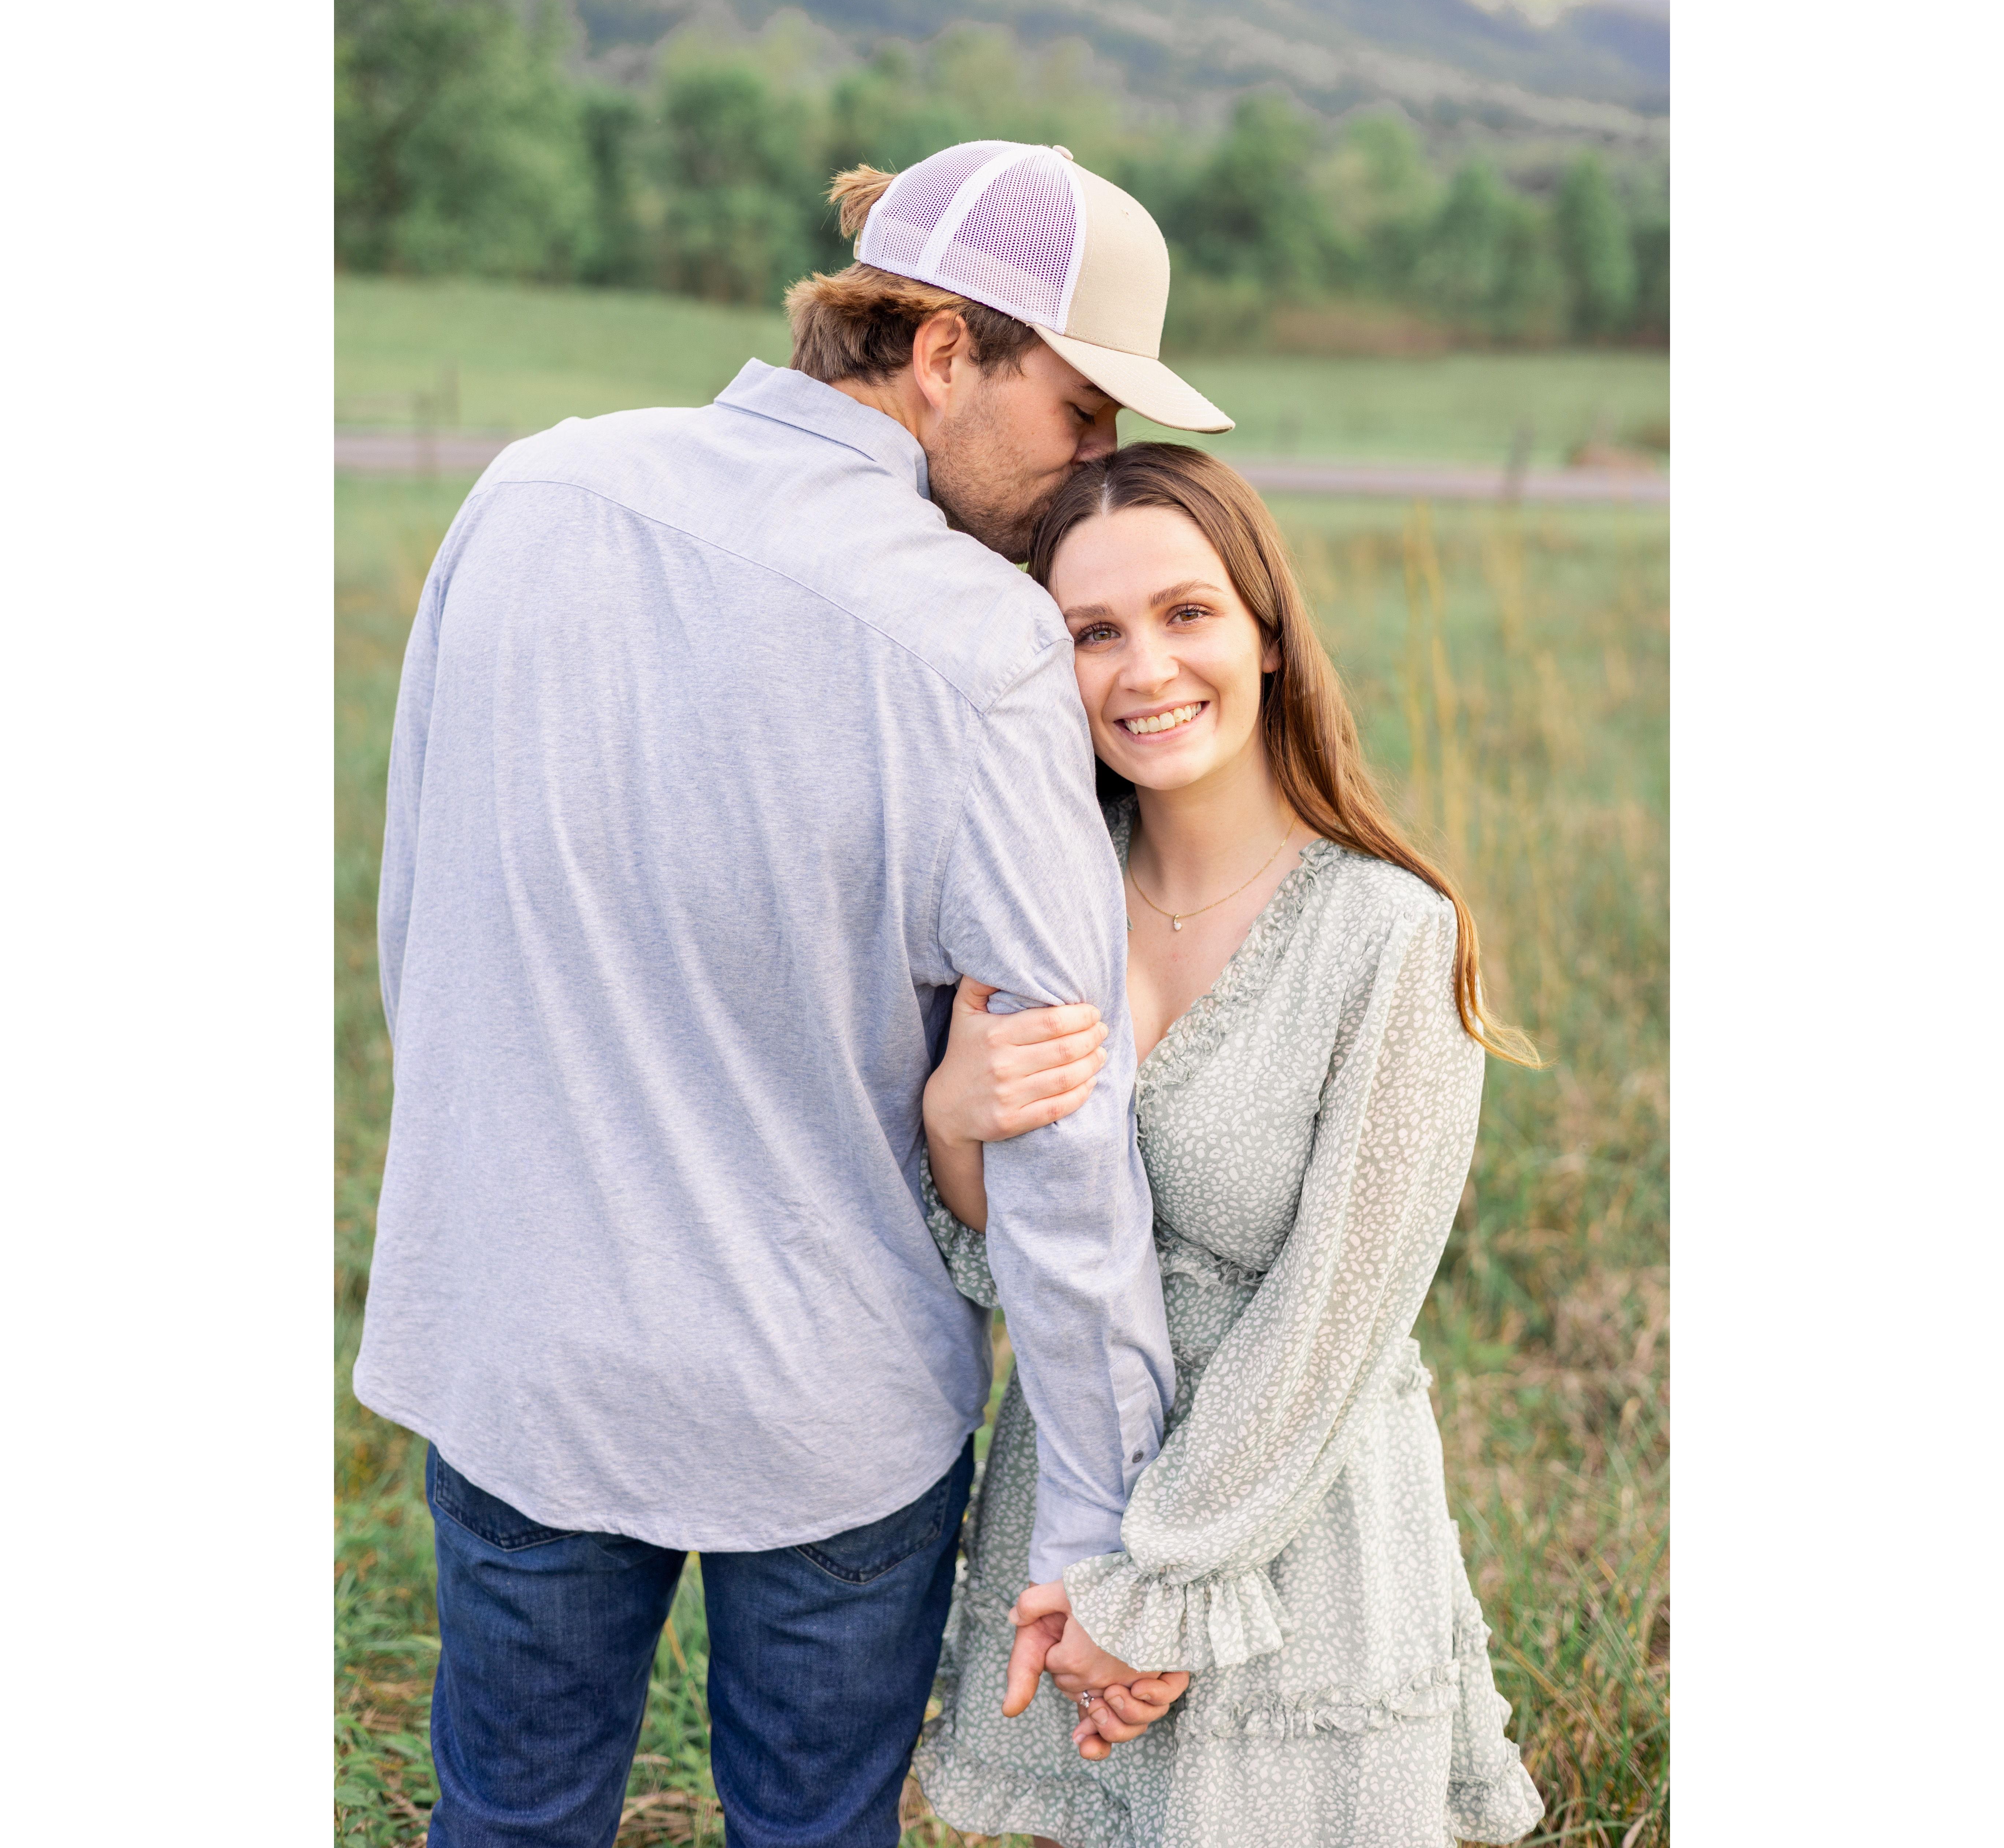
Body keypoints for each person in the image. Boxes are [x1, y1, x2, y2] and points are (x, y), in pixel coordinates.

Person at [351, 143, 1236, 1847]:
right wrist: (1098, 1525)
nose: (1097, 463)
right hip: (826, 1407)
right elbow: (1065, 1125)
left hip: (522, 1351)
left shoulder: (532, 492)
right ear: (942, 353)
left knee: (506, 1824)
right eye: (1082, 411)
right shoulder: (980, 646)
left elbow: (419, 924)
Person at [911, 443, 1548, 1847]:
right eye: (1093, 632)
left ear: (1266, 630)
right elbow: (1001, 1251)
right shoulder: (1039, 894)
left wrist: (1149, 1597)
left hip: (1286, 1539)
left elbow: (1334, 1321)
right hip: (1074, 1500)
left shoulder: (1389, 935)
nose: (1145, 669)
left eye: (1186, 613)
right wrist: (954, 1117)